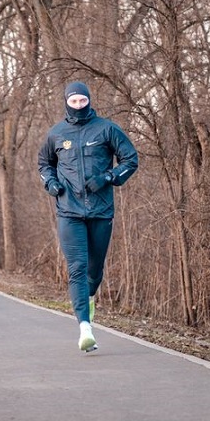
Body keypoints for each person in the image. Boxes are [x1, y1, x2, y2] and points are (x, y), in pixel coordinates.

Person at [38, 81, 138, 353]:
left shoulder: (106, 129)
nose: (79, 105)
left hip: (101, 210)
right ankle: (85, 328)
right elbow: (44, 164)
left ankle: (90, 298)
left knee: (94, 271)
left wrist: (108, 177)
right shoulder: (57, 134)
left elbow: (131, 159)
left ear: (89, 101)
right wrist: (51, 184)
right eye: (74, 101)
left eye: (83, 101)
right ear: (66, 102)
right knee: (78, 268)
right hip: (68, 211)